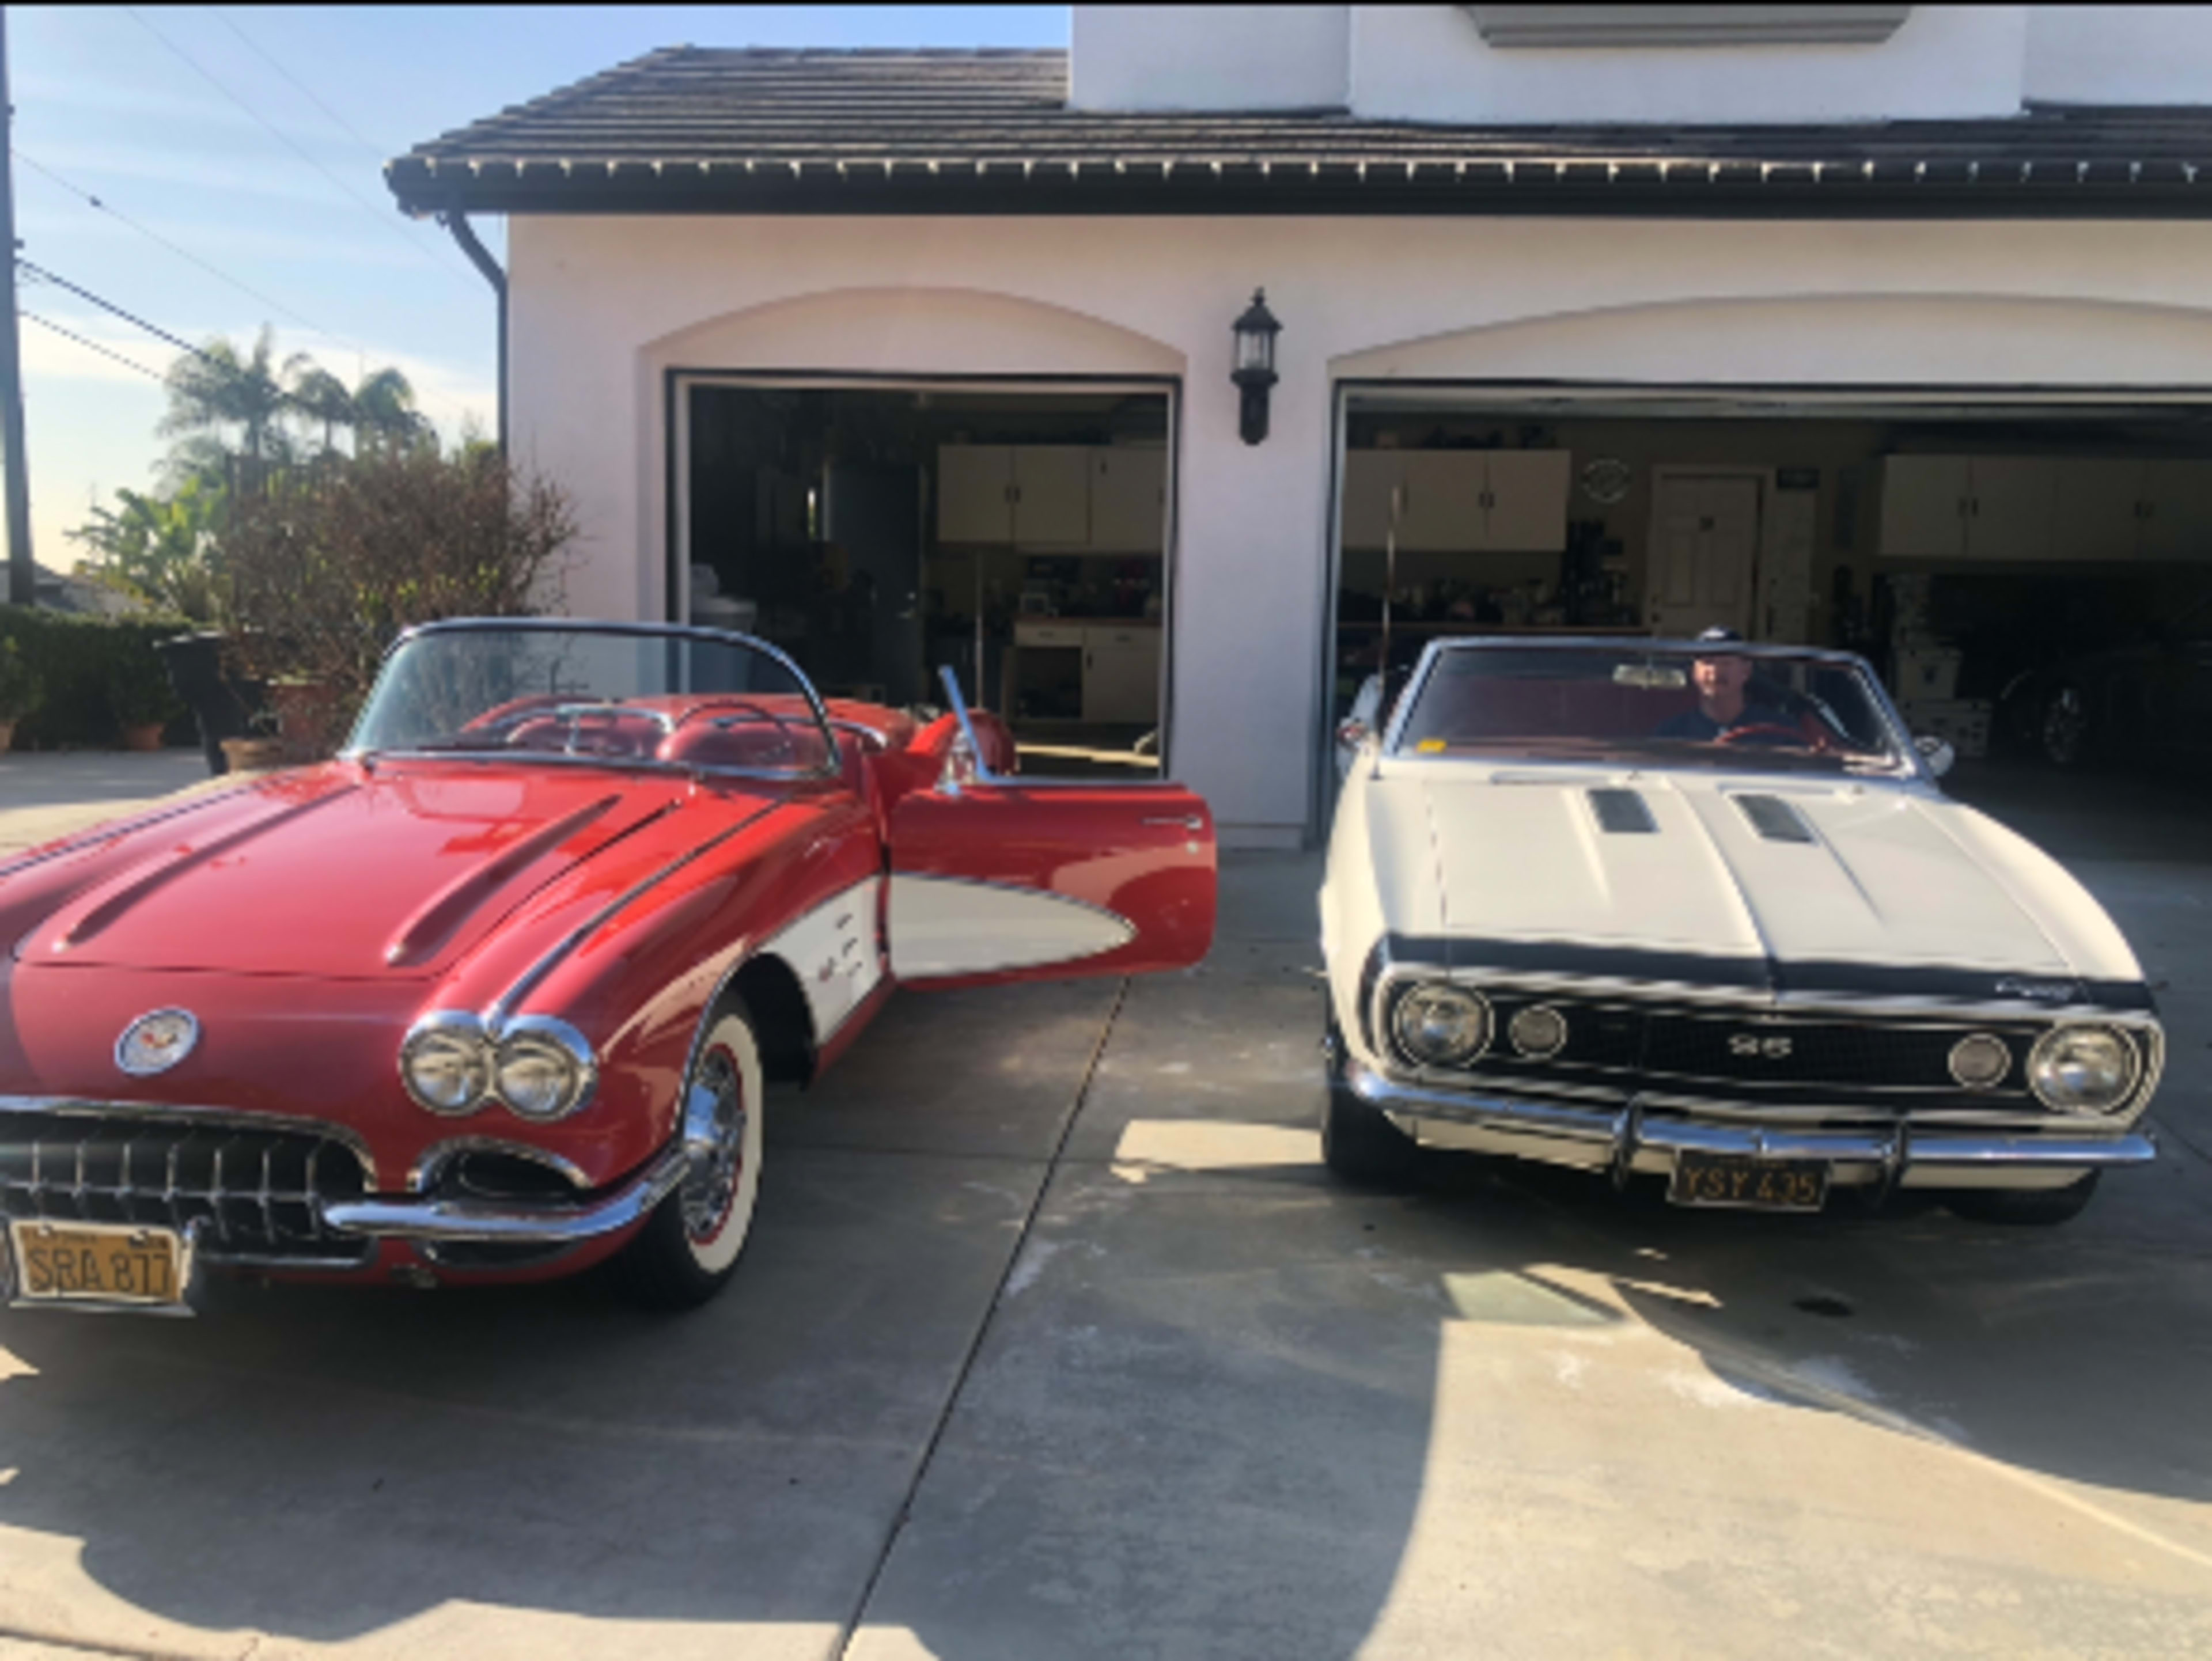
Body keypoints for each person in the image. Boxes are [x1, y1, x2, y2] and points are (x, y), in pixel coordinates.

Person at [1655, 627, 1796, 742]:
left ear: (1746, 671)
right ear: (1694, 672)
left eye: (1726, 663)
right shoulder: (1672, 733)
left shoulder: (1778, 731)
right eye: (1707, 662)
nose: (1715, 671)